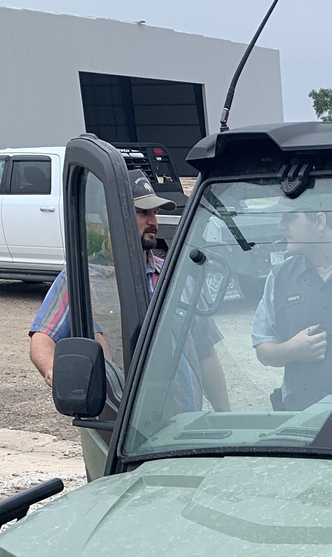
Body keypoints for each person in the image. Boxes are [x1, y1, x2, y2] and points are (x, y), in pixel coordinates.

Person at [29, 171, 229, 411]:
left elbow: (206, 352)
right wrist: (55, 372)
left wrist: (223, 413)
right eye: (143, 213)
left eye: (155, 213)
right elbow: (42, 338)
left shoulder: (177, 276)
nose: (153, 222)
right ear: (110, 215)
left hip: (181, 423)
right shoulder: (81, 279)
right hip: (119, 423)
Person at [250, 194, 332, 410]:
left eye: (289, 218)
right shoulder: (280, 277)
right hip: (299, 417)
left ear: (319, 221)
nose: (280, 226)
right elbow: (262, 348)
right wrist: (290, 351)